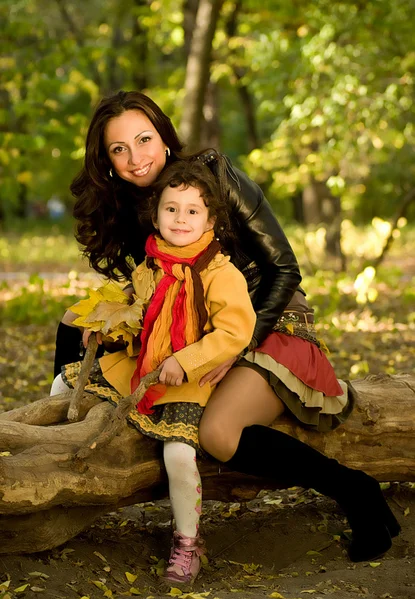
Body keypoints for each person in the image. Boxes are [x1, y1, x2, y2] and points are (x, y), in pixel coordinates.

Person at [53, 90, 400, 567]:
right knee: (73, 322)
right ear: (106, 160)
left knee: (217, 433)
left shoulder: (214, 176)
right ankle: (65, 445)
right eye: (120, 149)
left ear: (165, 138)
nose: (137, 158)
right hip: (190, 332)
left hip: (266, 322)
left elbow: (284, 269)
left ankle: (355, 490)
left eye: (144, 139)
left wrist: (236, 350)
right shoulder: (129, 204)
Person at [51, 159, 257, 585]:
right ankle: (54, 468)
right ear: (156, 214)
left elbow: (236, 331)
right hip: (143, 365)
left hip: (187, 377)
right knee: (64, 382)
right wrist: (108, 333)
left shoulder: (221, 273)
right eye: (171, 209)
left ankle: (188, 541)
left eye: (192, 210)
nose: (181, 219)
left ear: (211, 220)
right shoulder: (149, 266)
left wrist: (186, 360)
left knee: (179, 455)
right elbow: (137, 317)